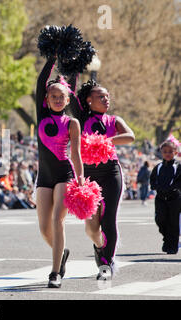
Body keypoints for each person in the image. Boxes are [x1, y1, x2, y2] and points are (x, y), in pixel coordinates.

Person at [70, 79, 135, 279]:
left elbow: (130, 136)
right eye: (101, 96)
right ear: (89, 100)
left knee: (109, 219)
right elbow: (71, 93)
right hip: (89, 175)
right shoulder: (81, 118)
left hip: (111, 173)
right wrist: (73, 65)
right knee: (92, 227)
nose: (106, 99)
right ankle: (100, 248)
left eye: (107, 96)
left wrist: (106, 140)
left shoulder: (113, 120)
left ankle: (106, 264)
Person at [34, 56, 84, 289]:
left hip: (64, 173)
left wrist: (80, 178)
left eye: (61, 97)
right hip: (43, 176)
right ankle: (61, 253)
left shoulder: (72, 122)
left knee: (57, 220)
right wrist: (52, 57)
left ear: (67, 99)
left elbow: (75, 154)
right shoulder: (42, 114)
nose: (56, 99)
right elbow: (41, 81)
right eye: (53, 96)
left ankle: (55, 272)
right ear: (46, 98)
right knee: (44, 228)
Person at [150, 140, 181, 254]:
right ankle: (166, 238)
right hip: (160, 198)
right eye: (165, 152)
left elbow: (179, 181)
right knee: (160, 219)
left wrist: (172, 188)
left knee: (173, 222)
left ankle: (172, 246)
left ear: (175, 152)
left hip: (174, 198)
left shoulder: (178, 166)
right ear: (161, 153)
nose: (167, 154)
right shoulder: (158, 167)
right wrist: (156, 187)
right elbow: (152, 180)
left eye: (170, 151)